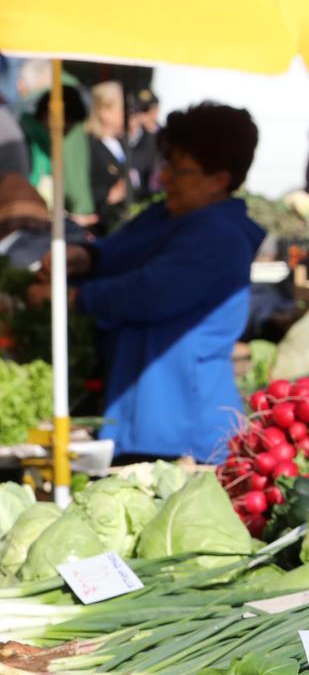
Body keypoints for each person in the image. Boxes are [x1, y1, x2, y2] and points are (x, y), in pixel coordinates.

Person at [29, 102, 266, 461]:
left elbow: (150, 292)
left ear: (220, 180)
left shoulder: (220, 236)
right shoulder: (168, 215)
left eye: (182, 170)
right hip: (142, 414)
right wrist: (87, 257)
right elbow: (121, 250)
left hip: (183, 426)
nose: (166, 177)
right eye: (167, 164)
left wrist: (71, 297)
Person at [84, 82, 129, 234]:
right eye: (120, 109)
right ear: (104, 111)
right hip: (101, 226)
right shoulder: (89, 144)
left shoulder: (121, 142)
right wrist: (109, 196)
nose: (125, 114)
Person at [125, 89, 162, 199]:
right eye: (139, 110)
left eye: (145, 110)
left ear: (155, 111)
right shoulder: (135, 136)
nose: (141, 115)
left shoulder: (164, 137)